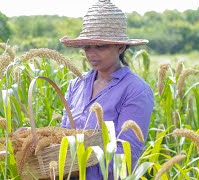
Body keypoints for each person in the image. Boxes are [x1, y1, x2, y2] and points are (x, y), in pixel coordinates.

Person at [59, 0, 154, 179]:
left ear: (120, 47)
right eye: (87, 46)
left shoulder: (135, 90)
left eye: (100, 46)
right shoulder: (76, 85)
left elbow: (125, 156)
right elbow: (62, 136)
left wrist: (81, 163)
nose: (91, 53)